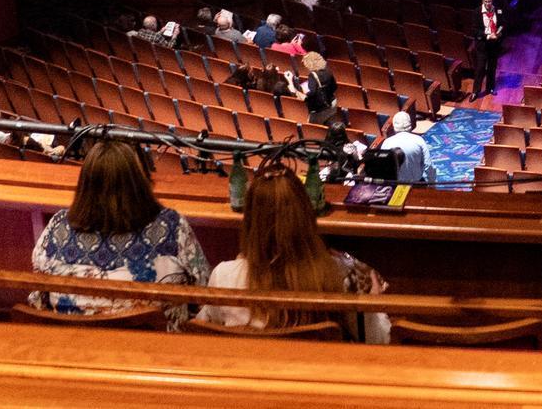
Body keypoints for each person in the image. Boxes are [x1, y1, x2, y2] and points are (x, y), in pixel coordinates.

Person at [199, 166, 391, 341]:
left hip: (245, 375)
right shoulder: (341, 276)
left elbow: (204, 332)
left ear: (250, 222)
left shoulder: (223, 276)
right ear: (306, 215)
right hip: (314, 377)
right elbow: (379, 340)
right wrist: (374, 304)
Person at [30, 140, 209, 326]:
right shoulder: (172, 227)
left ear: (85, 185)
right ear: (139, 183)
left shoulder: (57, 227)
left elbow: (39, 300)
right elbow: (203, 294)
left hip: (70, 349)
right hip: (153, 350)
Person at [378, 112, 430, 184]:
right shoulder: (419, 140)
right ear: (410, 124)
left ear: (394, 127)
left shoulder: (386, 143)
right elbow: (428, 165)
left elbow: (382, 168)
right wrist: (430, 183)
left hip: (395, 186)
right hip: (417, 184)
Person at [473, 0, 505, 93]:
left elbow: (502, 24)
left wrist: (498, 33)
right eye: (486, 1)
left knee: (492, 67)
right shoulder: (477, 12)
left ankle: (490, 87)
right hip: (482, 44)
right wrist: (487, 36)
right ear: (483, 1)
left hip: (494, 45)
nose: (488, 4)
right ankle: (475, 91)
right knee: (480, 68)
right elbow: (475, 30)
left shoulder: (498, 10)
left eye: (490, 1)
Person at [293, 53, 338, 120]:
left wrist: (304, 92)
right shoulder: (328, 71)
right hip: (331, 103)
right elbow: (334, 87)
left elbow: (312, 92)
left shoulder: (313, 75)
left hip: (319, 109)